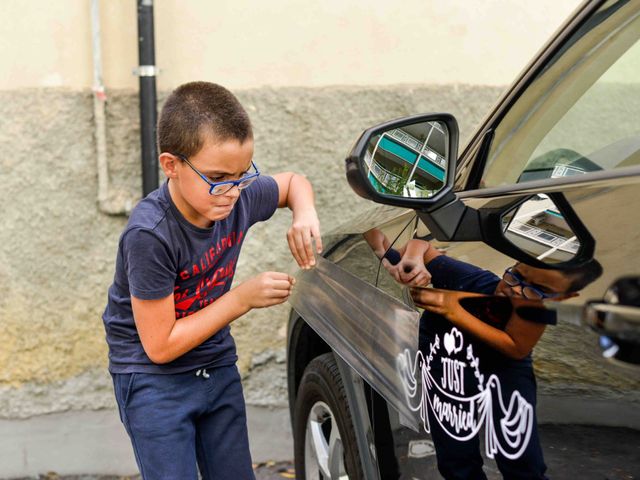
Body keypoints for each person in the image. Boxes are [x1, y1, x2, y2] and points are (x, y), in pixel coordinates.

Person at [102, 82, 322, 480]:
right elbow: (160, 346)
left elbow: (292, 184)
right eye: (219, 177)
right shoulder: (150, 235)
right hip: (154, 382)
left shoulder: (234, 197)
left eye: (241, 175)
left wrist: (304, 214)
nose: (234, 192)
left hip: (215, 365)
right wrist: (243, 299)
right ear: (172, 165)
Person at [407, 240, 602, 480]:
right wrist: (415, 262)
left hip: (506, 368)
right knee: (454, 454)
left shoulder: (538, 312)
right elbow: (422, 246)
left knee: (519, 455)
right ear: (515, 262)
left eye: (535, 289)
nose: (515, 290)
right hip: (450, 366)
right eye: (516, 275)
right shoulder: (474, 280)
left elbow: (516, 347)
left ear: (562, 297)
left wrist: (453, 308)